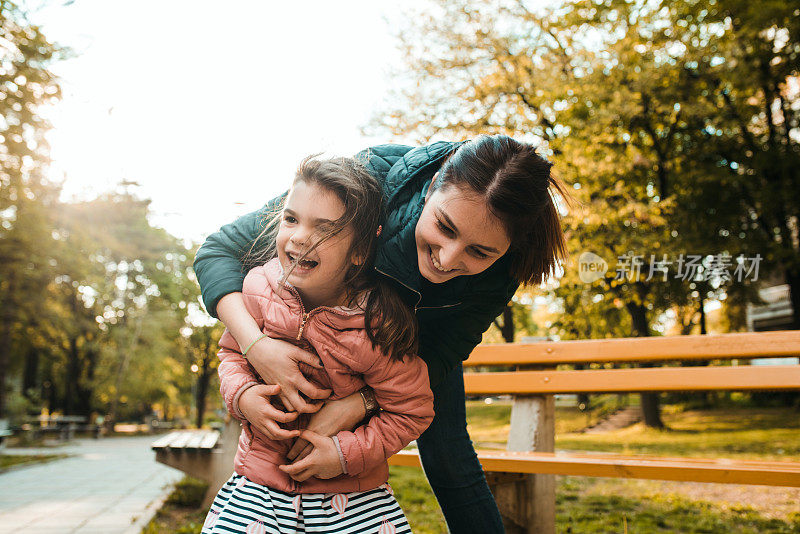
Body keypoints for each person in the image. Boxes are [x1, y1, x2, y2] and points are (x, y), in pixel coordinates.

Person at [195, 135, 568, 533]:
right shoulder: (364, 180)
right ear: (434, 184)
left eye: (479, 252)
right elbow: (218, 251)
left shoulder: (507, 268)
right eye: (444, 227)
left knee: (449, 457)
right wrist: (257, 346)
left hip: (414, 352)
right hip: (331, 330)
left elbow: (446, 350)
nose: (447, 258)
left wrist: (362, 402)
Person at [202, 155, 434, 533]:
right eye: (291, 219)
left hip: (350, 500)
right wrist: (243, 396)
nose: (298, 237)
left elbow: (412, 410)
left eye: (324, 229)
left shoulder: (376, 326)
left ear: (359, 251)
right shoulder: (258, 289)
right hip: (259, 485)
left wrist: (345, 455)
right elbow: (231, 355)